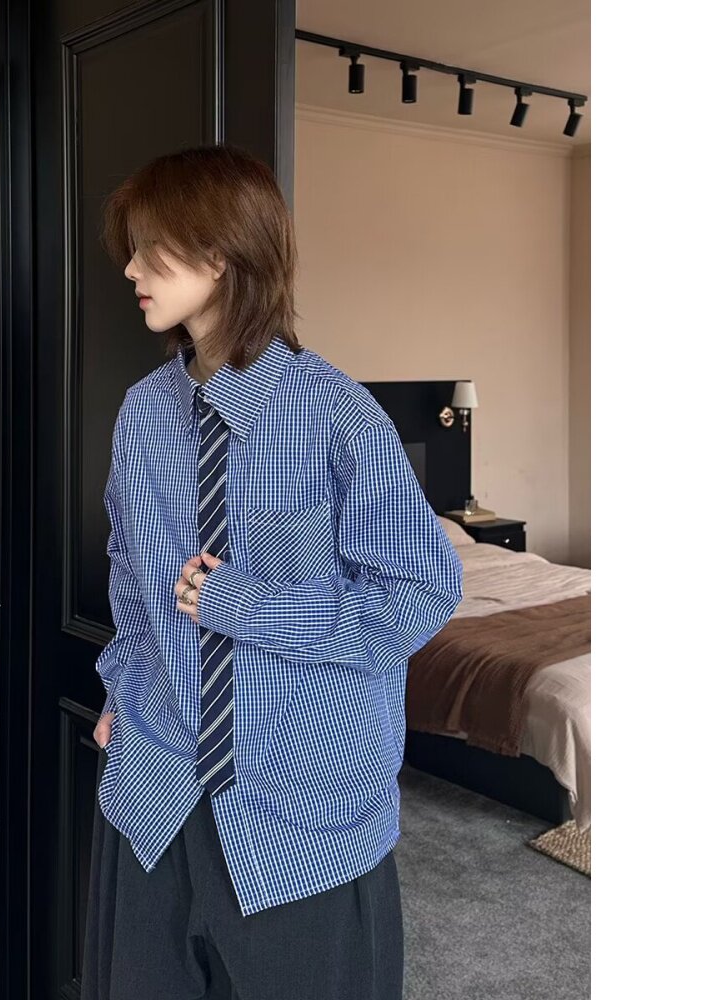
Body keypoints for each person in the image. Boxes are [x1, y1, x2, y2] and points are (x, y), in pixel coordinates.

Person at [81, 144, 464, 1000]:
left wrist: (248, 605)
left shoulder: (338, 415)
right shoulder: (142, 415)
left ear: (220, 253)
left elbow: (421, 591)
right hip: (156, 790)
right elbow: (130, 579)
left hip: (304, 814)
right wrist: (118, 693)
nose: (132, 270)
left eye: (151, 248)